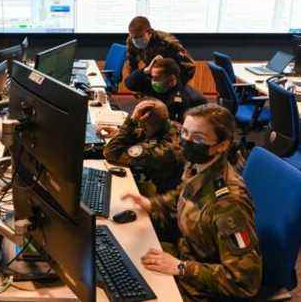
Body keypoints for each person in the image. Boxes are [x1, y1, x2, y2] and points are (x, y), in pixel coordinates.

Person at [123, 103, 262, 301]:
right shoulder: (200, 164)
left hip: (199, 288)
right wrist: (153, 204)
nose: (186, 142)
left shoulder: (229, 204)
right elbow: (185, 193)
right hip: (184, 253)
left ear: (222, 145)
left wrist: (181, 267)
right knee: (124, 258)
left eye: (198, 138)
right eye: (185, 133)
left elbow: (244, 282)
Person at [101, 98, 185, 196]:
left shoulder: (163, 150)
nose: (140, 128)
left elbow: (111, 152)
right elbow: (144, 135)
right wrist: (119, 131)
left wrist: (131, 122)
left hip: (160, 200)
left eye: (141, 125)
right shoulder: (167, 125)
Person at [124, 16, 195, 94]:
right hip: (153, 71)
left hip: (169, 74)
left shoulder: (167, 42)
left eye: (140, 37)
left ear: (149, 32)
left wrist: (178, 87)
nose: (136, 41)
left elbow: (189, 66)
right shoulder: (131, 41)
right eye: (134, 37)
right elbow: (132, 64)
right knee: (130, 82)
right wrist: (136, 86)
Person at [147, 58, 207, 123]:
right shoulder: (163, 87)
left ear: (171, 79)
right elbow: (134, 84)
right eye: (152, 77)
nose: (153, 81)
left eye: (156, 78)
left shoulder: (191, 100)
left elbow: (184, 126)